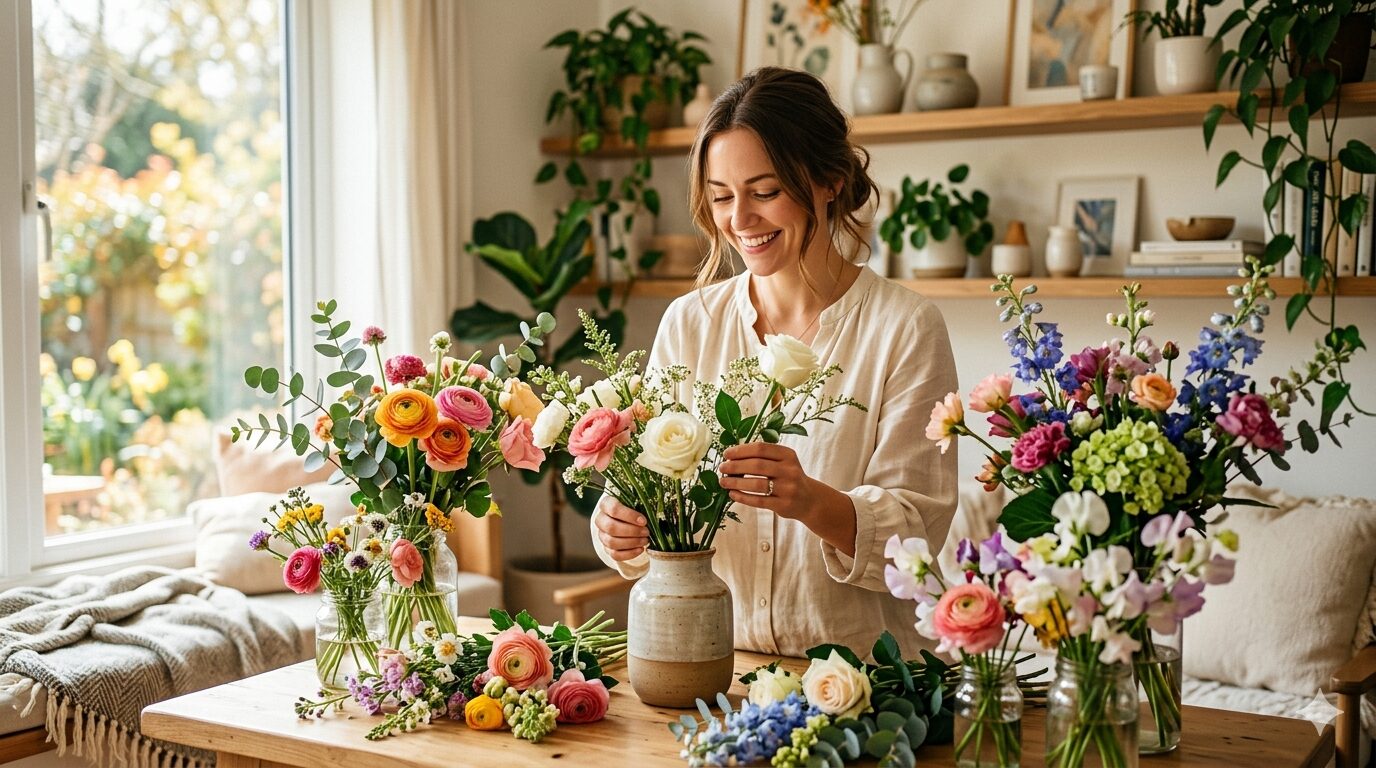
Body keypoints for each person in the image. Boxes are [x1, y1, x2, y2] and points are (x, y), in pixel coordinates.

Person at [591, 66, 958, 657]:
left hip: (870, 684)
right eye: (721, 197)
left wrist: (812, 501)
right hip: (715, 677)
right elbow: (653, 492)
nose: (739, 220)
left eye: (764, 193)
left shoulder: (905, 327)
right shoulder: (689, 324)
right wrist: (618, 526)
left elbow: (915, 536)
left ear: (829, 181)